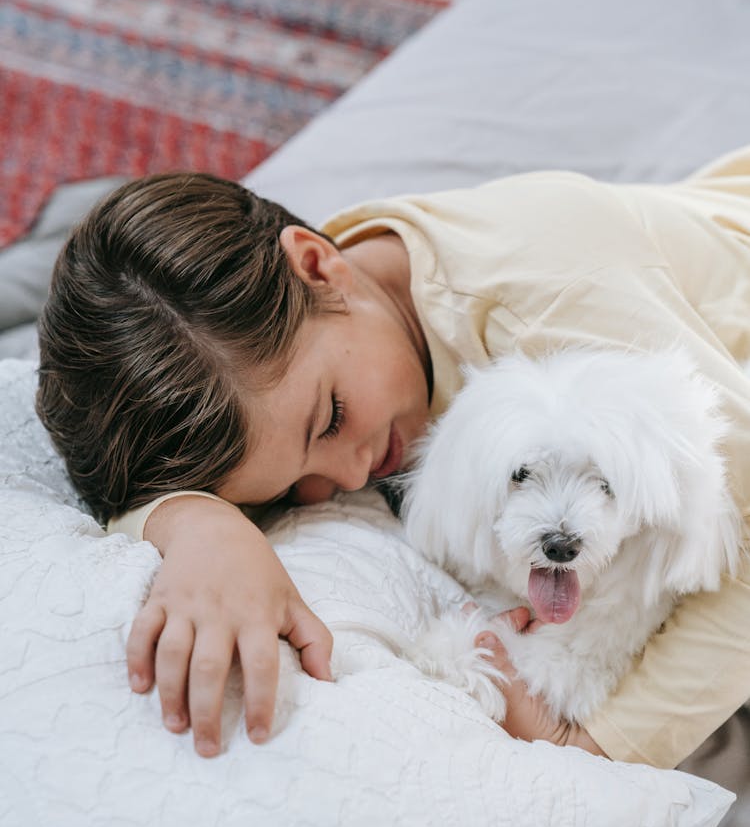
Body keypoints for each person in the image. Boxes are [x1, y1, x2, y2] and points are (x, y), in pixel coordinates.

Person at [36, 152, 750, 765]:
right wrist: (198, 526)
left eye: (333, 419)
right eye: (295, 489)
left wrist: (599, 741)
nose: (349, 476)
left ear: (318, 265)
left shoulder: (557, 317)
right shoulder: (303, 322)